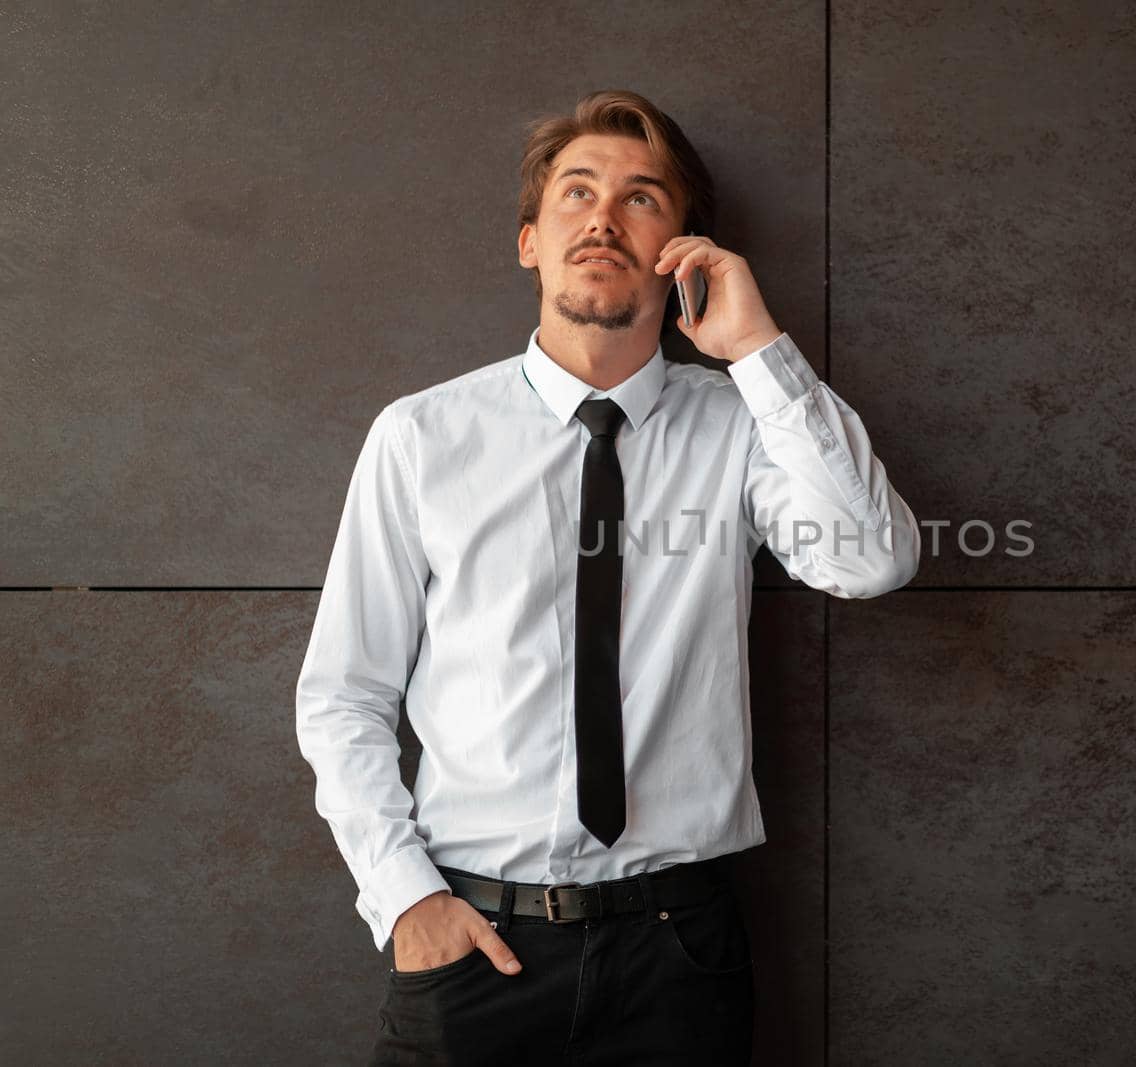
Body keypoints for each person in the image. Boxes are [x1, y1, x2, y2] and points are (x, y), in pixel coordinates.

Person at [295, 88, 920, 1065]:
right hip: (472, 943)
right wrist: (407, 899)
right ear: (530, 241)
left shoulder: (742, 426)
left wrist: (759, 349)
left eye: (641, 198)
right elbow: (344, 693)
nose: (601, 215)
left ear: (684, 247)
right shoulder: (421, 436)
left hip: (679, 950)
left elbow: (872, 559)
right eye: (576, 192)